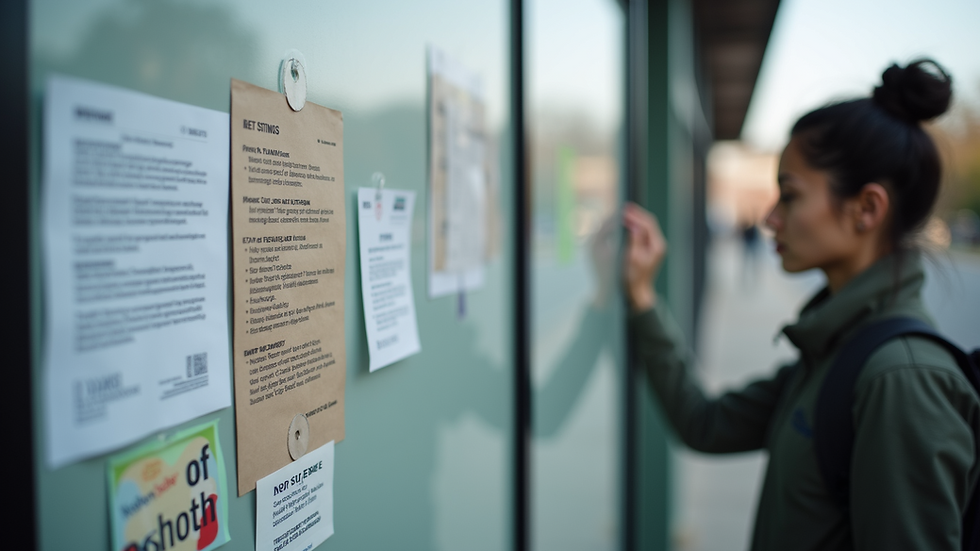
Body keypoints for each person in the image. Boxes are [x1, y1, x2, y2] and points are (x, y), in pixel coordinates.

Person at [623, 59, 980, 550]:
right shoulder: (838, 347)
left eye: (789, 196)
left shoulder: (900, 378)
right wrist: (642, 297)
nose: (769, 217)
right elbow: (703, 423)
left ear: (867, 209)